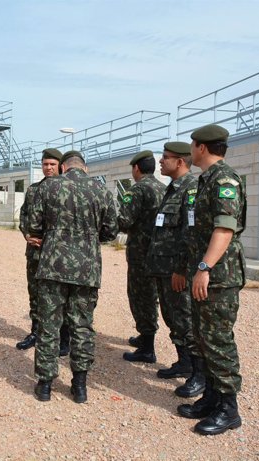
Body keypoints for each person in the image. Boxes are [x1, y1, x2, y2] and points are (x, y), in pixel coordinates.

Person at [28, 151, 118, 403]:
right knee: (82, 325)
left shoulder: (48, 188)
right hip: (87, 269)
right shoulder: (101, 190)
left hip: (52, 266)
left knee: (49, 323)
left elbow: (33, 225)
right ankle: (79, 386)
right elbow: (111, 231)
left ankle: (45, 385)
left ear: (64, 167)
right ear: (84, 168)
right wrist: (88, 238)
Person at [176, 124, 246, 436]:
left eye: (192, 145)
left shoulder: (225, 179)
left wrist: (204, 267)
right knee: (203, 336)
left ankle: (229, 409)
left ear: (201, 147)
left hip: (219, 275)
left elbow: (225, 229)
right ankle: (213, 397)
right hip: (204, 273)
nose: (191, 150)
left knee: (218, 339)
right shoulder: (206, 179)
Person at [145, 142, 198, 382]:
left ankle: (196, 372)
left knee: (185, 318)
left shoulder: (191, 189)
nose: (160, 161)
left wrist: (182, 269)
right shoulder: (172, 188)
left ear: (180, 162)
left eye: (165, 157)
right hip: (164, 268)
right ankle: (184, 362)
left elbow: (191, 233)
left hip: (176, 271)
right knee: (173, 317)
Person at [16, 148, 70, 356]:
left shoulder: (68, 191)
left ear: (61, 166)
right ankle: (36, 333)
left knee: (61, 297)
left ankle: (63, 339)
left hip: (59, 256)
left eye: (52, 164)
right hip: (36, 253)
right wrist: (27, 235)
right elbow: (24, 217)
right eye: (45, 164)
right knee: (35, 294)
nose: (48, 168)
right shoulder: (33, 190)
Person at [118, 150, 166, 363]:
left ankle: (147, 347)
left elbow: (125, 221)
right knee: (152, 295)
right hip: (160, 252)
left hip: (140, 253)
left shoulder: (137, 190)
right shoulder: (165, 189)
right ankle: (145, 337)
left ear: (136, 168)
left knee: (140, 296)